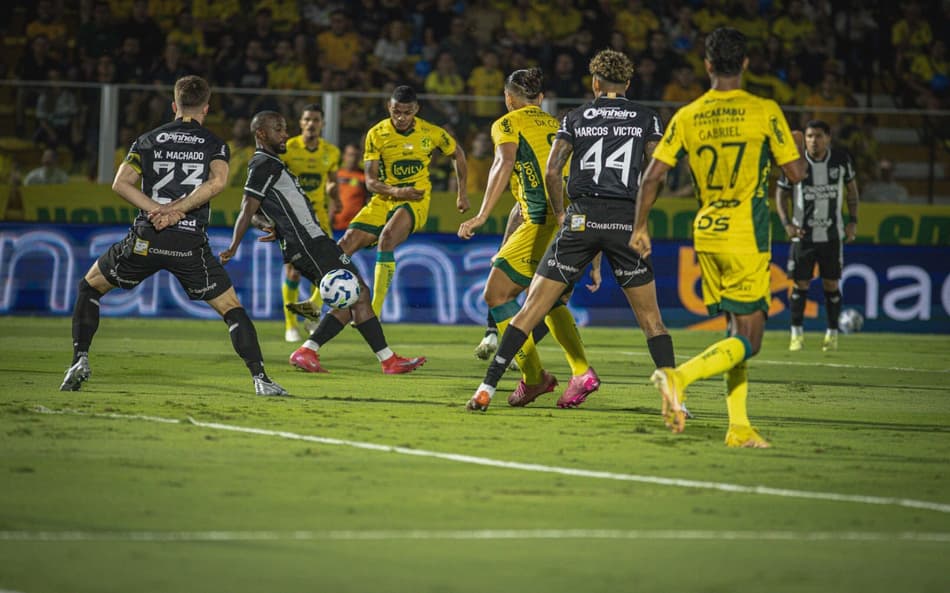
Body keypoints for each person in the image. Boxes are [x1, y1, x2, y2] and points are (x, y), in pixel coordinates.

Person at [466, 50, 675, 412]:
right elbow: (654, 173)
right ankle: (667, 398)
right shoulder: (631, 117)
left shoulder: (564, 119)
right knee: (634, 317)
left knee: (505, 297)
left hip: (568, 220)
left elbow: (527, 167)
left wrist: (485, 215)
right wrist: (629, 230)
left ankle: (518, 381)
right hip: (619, 219)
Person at [631, 27, 806, 448]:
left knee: (734, 330)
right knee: (751, 340)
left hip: (707, 233)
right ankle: (678, 377)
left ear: (707, 65)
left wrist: (639, 227)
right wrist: (796, 145)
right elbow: (795, 173)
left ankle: (739, 426)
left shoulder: (688, 115)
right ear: (745, 63)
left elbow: (652, 176)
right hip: (745, 234)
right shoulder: (763, 110)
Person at [60, 75, 287, 397]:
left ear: (174, 105)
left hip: (147, 238)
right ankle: (260, 378)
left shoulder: (147, 139)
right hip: (188, 242)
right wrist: (177, 210)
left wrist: (158, 210)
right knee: (231, 308)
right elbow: (217, 183)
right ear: (206, 108)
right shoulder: (214, 143)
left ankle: (79, 360)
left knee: (90, 287)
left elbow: (120, 184)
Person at [219, 111, 425, 376]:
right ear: (261, 133)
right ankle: (384, 360)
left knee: (353, 297)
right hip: (309, 244)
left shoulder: (271, 163)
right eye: (278, 129)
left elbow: (258, 212)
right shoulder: (262, 164)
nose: (285, 135)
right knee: (359, 291)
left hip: (311, 241)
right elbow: (247, 209)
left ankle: (311, 351)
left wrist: (271, 226)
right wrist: (234, 245)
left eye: (284, 129)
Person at [336, 85, 468, 317]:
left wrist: (462, 193)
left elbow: (457, 153)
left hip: (416, 199)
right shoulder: (376, 134)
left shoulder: (431, 132)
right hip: (383, 198)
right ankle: (315, 303)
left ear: (416, 109)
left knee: (387, 238)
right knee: (344, 245)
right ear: (389, 107)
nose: (401, 117)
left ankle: (374, 311)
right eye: (396, 111)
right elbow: (371, 182)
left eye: (407, 112)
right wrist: (398, 192)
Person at [776, 120, 859, 352]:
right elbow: (781, 194)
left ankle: (832, 335)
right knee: (800, 284)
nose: (814, 141)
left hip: (832, 235)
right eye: (810, 136)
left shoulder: (841, 160)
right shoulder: (795, 163)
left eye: (819, 136)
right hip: (803, 236)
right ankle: (796, 335)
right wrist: (787, 223)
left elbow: (852, 192)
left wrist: (853, 221)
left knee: (831, 284)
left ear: (828, 138)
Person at [278, 103, 341, 341]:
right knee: (294, 272)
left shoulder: (331, 152)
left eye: (315, 120)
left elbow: (331, 181)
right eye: (307, 119)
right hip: (292, 218)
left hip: (319, 217)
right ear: (301, 123)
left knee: (326, 270)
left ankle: (312, 313)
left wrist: (335, 196)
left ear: (322, 124)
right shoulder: (288, 148)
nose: (311, 124)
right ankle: (290, 325)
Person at [331, 143, 368, 232]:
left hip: (355, 227)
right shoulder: (336, 175)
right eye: (350, 155)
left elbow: (368, 201)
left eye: (356, 156)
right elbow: (331, 199)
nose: (353, 159)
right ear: (344, 156)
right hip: (336, 226)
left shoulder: (365, 177)